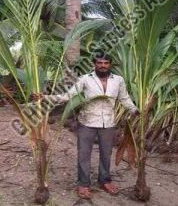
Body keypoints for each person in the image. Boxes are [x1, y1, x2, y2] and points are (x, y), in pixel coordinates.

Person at [37, 51, 139, 199]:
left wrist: (135, 110)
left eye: (106, 63)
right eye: (99, 63)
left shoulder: (118, 80)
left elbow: (124, 98)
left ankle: (104, 180)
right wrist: (45, 97)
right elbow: (68, 96)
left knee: (106, 153)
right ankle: (83, 184)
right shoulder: (85, 79)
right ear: (94, 64)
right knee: (84, 154)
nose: (103, 66)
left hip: (108, 122)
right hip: (87, 122)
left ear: (110, 64)